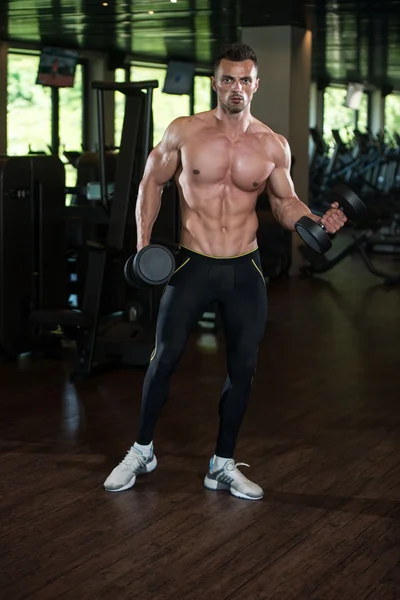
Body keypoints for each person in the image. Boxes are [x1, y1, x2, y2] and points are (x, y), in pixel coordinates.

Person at [104, 42, 347, 500]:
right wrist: (143, 249)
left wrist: (312, 221)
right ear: (215, 82)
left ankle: (222, 463)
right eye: (228, 79)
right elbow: (151, 183)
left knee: (243, 366)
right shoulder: (185, 132)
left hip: (243, 268)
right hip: (193, 263)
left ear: (256, 85)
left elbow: (283, 202)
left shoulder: (272, 144)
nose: (237, 88)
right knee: (164, 359)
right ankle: (141, 450)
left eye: (245, 80)